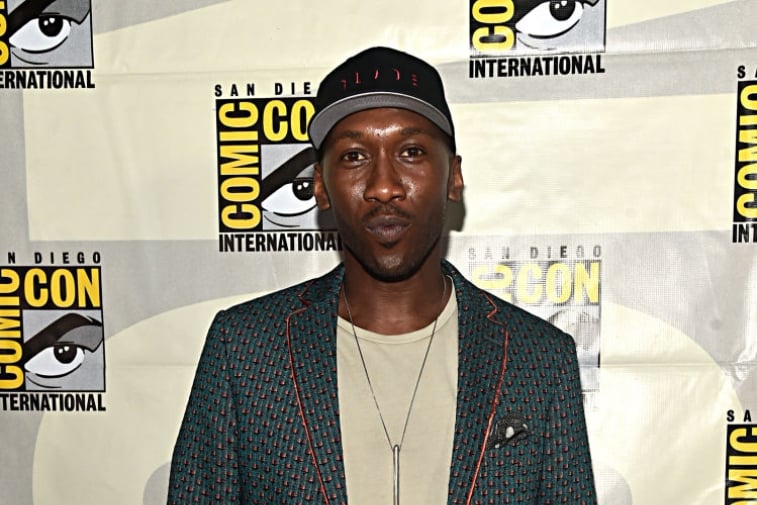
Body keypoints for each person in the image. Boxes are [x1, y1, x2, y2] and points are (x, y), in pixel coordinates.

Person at [168, 46, 597, 505]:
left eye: (411, 152)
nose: (384, 186)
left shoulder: (538, 359)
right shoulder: (245, 348)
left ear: (453, 177)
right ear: (320, 186)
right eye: (354, 156)